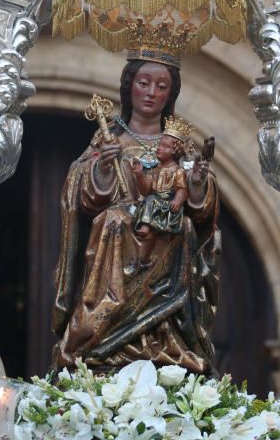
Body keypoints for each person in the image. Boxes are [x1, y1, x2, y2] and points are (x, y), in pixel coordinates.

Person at [52, 59, 220, 374]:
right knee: (114, 220)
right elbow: (84, 197)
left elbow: (200, 208)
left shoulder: (179, 146)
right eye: (144, 83)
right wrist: (102, 168)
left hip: (166, 237)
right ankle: (99, 335)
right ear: (129, 85)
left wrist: (196, 183)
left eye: (161, 86)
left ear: (171, 93)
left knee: (181, 226)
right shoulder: (108, 139)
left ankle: (164, 340)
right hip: (117, 239)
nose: (151, 93)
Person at [132, 118, 192, 271]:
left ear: (175, 151)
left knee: (151, 200)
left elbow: (183, 189)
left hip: (168, 208)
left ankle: (145, 226)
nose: (158, 148)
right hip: (154, 207)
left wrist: (178, 201)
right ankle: (142, 260)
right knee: (149, 200)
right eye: (159, 145)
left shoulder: (177, 171)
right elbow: (145, 190)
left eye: (164, 146)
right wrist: (139, 175)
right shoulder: (155, 170)